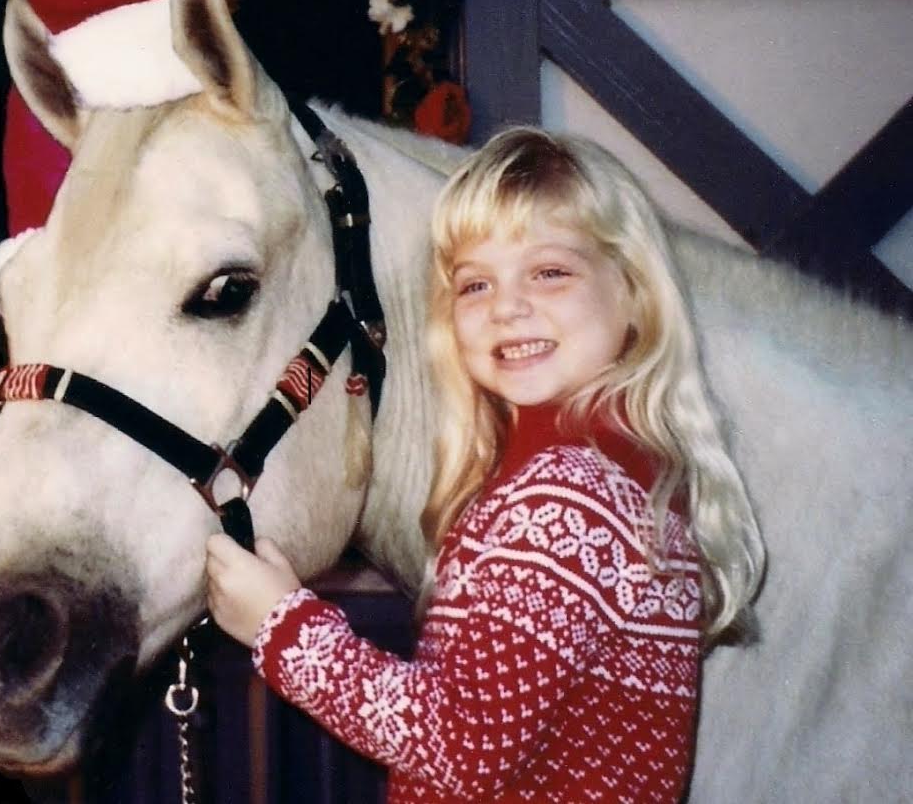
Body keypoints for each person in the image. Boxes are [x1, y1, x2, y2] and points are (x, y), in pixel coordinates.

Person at [205, 126, 766, 803]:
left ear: (635, 295)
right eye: (474, 284)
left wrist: (282, 625)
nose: (507, 307)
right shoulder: (624, 476)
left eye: (550, 272)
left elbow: (456, 745)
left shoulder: (567, 501)